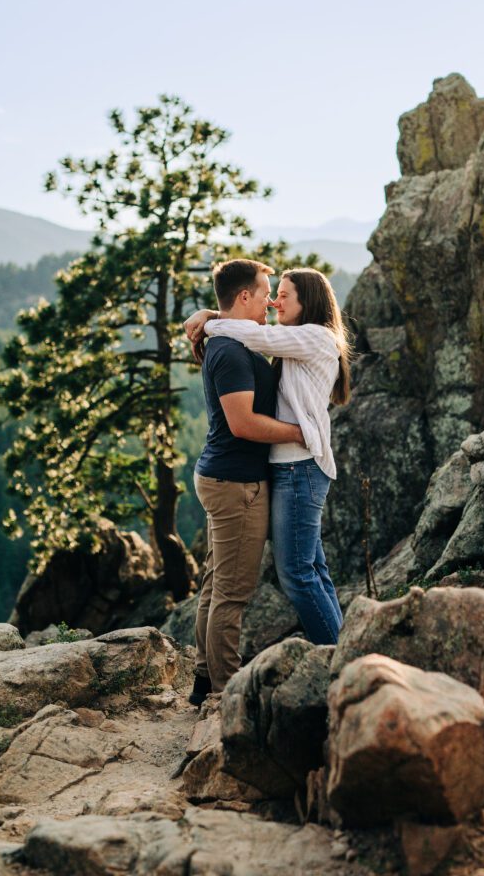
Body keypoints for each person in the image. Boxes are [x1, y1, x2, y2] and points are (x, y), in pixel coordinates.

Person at [186, 267, 351, 647]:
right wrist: (212, 316)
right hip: (290, 466)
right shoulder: (297, 338)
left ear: (307, 302)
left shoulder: (315, 337)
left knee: (296, 573)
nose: (275, 301)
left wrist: (208, 321)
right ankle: (344, 651)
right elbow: (252, 331)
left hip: (300, 467)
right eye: (273, 293)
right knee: (312, 568)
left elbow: (254, 335)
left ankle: (339, 660)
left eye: (284, 295)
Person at [189, 259, 307, 707]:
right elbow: (242, 423)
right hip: (236, 483)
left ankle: (204, 682)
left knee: (215, 585)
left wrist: (209, 315)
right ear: (243, 297)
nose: (271, 301)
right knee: (232, 595)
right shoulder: (232, 352)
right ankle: (224, 695)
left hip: (224, 476)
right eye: (264, 294)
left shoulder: (229, 339)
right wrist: (300, 433)